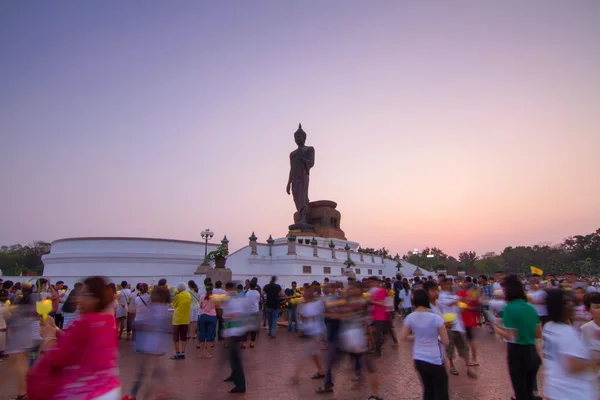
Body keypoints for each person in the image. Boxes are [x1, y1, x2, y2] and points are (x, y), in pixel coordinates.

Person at [28, 276, 121, 400]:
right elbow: (76, 342)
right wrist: (55, 329)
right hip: (109, 389)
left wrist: (49, 338)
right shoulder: (108, 320)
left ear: (96, 298)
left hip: (86, 392)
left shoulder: (86, 323)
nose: (79, 299)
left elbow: (59, 358)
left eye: (85, 295)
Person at [492, 275, 541, 400]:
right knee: (529, 391)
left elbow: (511, 336)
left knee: (520, 392)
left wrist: (496, 327)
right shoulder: (531, 307)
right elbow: (538, 334)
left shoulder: (509, 308)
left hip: (517, 353)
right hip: (532, 352)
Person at [542, 289, 597, 400]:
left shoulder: (549, 326)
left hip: (555, 388)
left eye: (571, 301)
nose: (572, 304)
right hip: (573, 392)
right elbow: (574, 366)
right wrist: (593, 360)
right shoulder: (567, 333)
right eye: (566, 302)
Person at [123, 286, 172, 400]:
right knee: (156, 371)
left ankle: (135, 395)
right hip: (158, 346)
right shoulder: (166, 309)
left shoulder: (155, 308)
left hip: (148, 345)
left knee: (143, 372)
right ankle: (162, 390)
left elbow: (148, 325)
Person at [399, 289, 450, 400]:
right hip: (435, 359)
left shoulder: (410, 318)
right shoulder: (436, 318)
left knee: (428, 389)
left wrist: (417, 337)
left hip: (419, 358)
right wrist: (436, 337)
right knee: (441, 391)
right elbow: (446, 341)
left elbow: (402, 337)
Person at [5, 282, 37, 399]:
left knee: (18, 366)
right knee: (20, 365)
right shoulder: (31, 302)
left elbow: (13, 320)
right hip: (26, 335)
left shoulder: (20, 302)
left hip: (18, 336)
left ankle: (23, 392)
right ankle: (23, 391)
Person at [291, 283, 325, 384]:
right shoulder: (305, 304)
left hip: (315, 332)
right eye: (305, 291)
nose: (305, 293)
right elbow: (301, 316)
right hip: (310, 332)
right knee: (314, 354)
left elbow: (315, 316)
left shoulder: (317, 303)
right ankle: (321, 371)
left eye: (307, 291)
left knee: (304, 354)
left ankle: (296, 375)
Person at [222, 282, 250, 394]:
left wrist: (228, 317)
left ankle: (240, 385)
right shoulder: (234, 299)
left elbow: (237, 314)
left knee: (235, 360)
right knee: (233, 358)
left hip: (235, 332)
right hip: (234, 332)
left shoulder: (235, 300)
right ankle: (235, 376)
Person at [170, 283, 192, 360]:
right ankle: (183, 352)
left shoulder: (178, 296)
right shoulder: (189, 296)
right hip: (185, 319)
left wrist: (176, 294)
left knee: (176, 337)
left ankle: (177, 353)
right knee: (183, 337)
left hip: (177, 319)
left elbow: (173, 305)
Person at [197, 283, 217, 358]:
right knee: (210, 335)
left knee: (202, 334)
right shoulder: (215, 297)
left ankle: (201, 353)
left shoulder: (202, 296)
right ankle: (208, 353)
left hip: (203, 316)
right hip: (212, 316)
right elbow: (217, 305)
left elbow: (201, 306)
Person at [242, 282, 261, 349]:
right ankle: (252, 343)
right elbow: (258, 301)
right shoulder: (257, 293)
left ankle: (244, 343)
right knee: (253, 328)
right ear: (255, 286)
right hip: (255, 311)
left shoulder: (247, 293)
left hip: (247, 311)